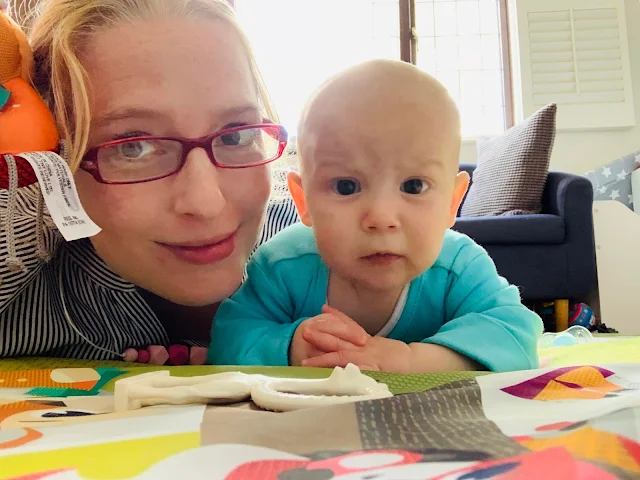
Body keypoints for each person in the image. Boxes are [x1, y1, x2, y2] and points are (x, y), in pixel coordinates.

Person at [0, 0, 298, 364]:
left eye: (235, 136)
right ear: (57, 159)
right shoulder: (28, 288)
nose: (206, 203)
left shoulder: (341, 254)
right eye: (133, 148)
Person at [209, 60, 544, 373]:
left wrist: (413, 360)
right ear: (303, 200)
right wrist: (292, 348)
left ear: (451, 202)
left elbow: (515, 335)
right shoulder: (281, 266)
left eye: (414, 186)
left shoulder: (460, 268)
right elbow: (228, 340)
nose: (381, 218)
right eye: (346, 186)